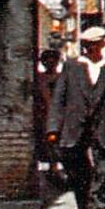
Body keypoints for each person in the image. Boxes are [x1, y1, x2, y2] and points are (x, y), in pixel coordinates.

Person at [46, 25, 105, 209]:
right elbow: (59, 98)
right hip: (75, 127)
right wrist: (54, 127)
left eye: (97, 44)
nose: (94, 48)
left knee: (103, 172)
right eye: (90, 45)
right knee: (77, 171)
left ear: (102, 45)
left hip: (104, 128)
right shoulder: (72, 67)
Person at [34, 47, 63, 184]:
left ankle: (55, 168)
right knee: (46, 145)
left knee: (56, 145)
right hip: (43, 117)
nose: (50, 64)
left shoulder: (62, 79)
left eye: (54, 61)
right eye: (47, 61)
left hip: (58, 117)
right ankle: (52, 168)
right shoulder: (39, 79)